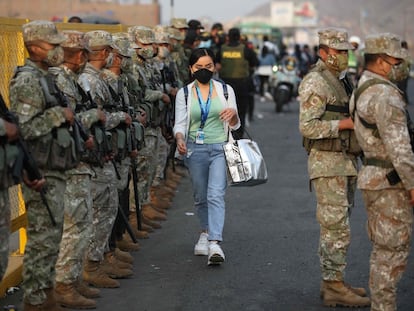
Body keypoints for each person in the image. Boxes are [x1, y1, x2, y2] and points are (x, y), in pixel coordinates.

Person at [298, 27, 371, 308]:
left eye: (345, 52)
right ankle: (333, 286)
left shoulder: (340, 80)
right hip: (328, 164)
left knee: (339, 226)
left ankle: (335, 280)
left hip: (344, 162)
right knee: (335, 229)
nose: (344, 56)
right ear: (323, 53)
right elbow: (307, 126)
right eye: (339, 52)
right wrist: (343, 124)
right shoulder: (316, 82)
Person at [9, 20, 76, 310]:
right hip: (39, 169)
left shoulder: (43, 77)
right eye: (53, 45)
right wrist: (60, 115)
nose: (58, 51)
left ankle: (46, 296)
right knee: (42, 240)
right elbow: (24, 127)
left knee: (52, 236)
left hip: (52, 166)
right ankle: (35, 301)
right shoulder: (27, 80)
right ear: (35, 48)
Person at [350, 33, 414, 311]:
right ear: (380, 61)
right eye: (395, 61)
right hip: (390, 182)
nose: (400, 66)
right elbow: (399, 147)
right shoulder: (385, 94)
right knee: (392, 253)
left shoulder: (363, 86)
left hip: (374, 179)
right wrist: (412, 184)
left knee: (383, 250)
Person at [174, 48, 240, 266]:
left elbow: (236, 124)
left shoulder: (226, 90)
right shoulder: (184, 93)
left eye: (208, 66)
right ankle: (204, 231)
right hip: (194, 149)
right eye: (199, 67)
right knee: (201, 195)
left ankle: (214, 242)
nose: (204, 70)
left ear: (215, 67)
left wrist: (233, 116)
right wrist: (180, 139)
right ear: (191, 69)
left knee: (215, 194)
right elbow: (180, 123)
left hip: (220, 147)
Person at [50, 30, 102, 309]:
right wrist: (93, 118)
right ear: (79, 55)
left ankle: (74, 278)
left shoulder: (69, 80)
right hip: (66, 163)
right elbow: (67, 119)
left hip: (77, 159)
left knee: (82, 223)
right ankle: (64, 285)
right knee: (73, 226)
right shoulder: (60, 80)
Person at [216, 27, 258, 136]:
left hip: (224, 85)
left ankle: (225, 133)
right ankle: (239, 134)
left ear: (228, 37)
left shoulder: (222, 49)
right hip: (241, 84)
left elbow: (216, 63)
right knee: (240, 111)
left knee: (224, 110)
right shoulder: (245, 50)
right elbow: (255, 62)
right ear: (239, 37)